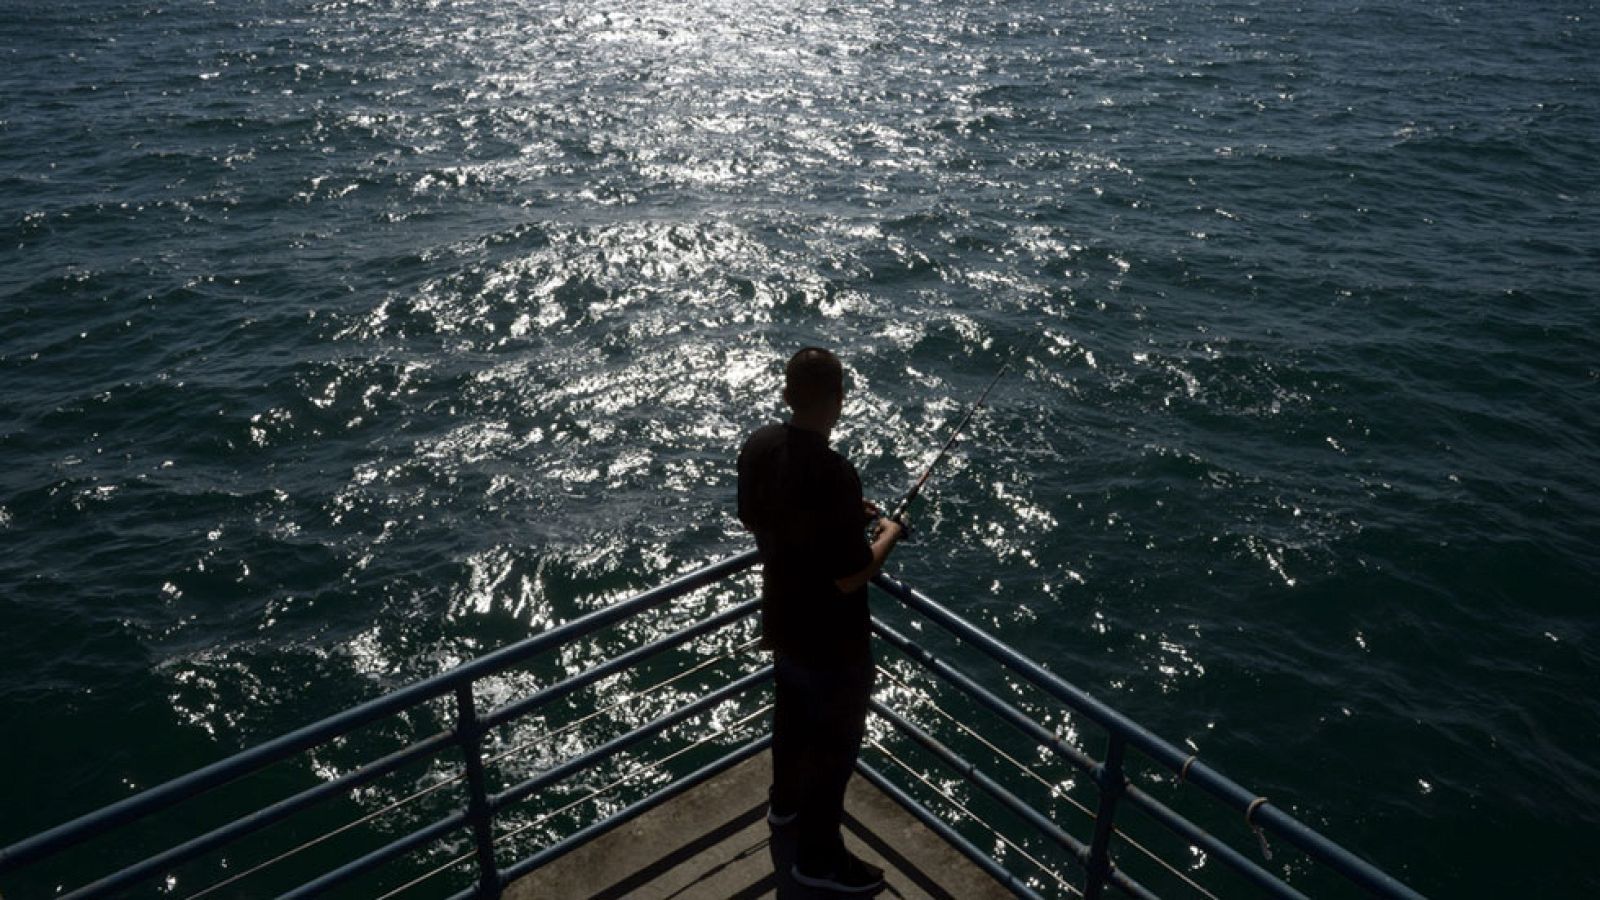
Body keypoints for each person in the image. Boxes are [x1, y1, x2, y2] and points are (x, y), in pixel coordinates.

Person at [737, 347, 905, 894]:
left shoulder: (760, 446)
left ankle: (783, 808)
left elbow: (760, 516)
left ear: (788, 395)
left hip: (782, 623)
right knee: (832, 752)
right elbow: (852, 575)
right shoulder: (835, 473)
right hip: (834, 644)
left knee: (790, 727)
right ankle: (818, 859)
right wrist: (887, 534)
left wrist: (843, 515)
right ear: (838, 403)